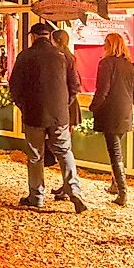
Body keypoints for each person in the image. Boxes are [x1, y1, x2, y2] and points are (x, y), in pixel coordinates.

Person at [8, 22, 88, 213]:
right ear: (49, 36)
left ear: (32, 36)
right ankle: (74, 190)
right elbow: (75, 84)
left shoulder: (25, 56)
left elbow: (15, 86)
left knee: (35, 155)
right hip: (59, 114)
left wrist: (23, 105)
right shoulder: (63, 56)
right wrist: (64, 103)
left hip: (34, 113)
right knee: (64, 151)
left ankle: (36, 196)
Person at [88, 33, 134, 206]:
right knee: (117, 147)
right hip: (125, 113)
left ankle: (122, 192)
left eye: (105, 43)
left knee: (115, 152)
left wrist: (93, 106)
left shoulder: (106, 63)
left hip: (110, 112)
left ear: (109, 45)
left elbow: (102, 89)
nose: (103, 45)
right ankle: (114, 185)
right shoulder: (130, 64)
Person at [49, 29, 82, 200]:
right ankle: (67, 185)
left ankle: (69, 186)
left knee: (64, 148)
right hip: (67, 107)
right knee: (64, 148)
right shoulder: (69, 56)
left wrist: (65, 101)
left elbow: (75, 84)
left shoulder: (62, 58)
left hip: (64, 108)